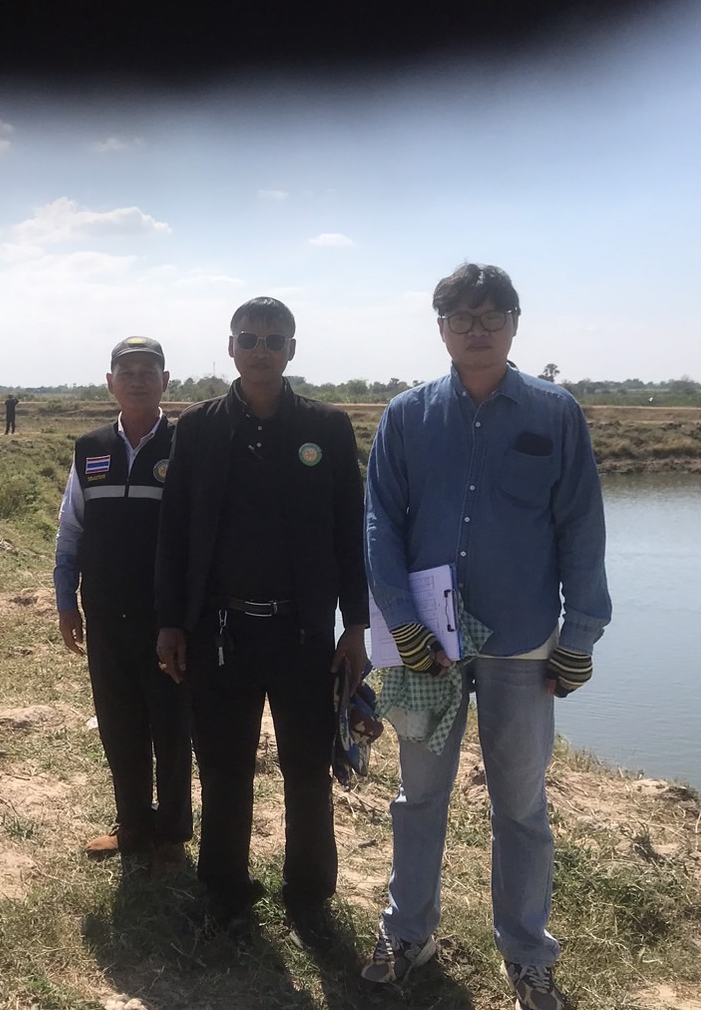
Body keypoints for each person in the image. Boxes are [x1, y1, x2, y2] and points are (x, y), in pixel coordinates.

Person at [361, 263, 611, 1010]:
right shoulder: (406, 416)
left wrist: (581, 631)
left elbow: (580, 523)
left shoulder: (554, 413)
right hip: (427, 645)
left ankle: (527, 955)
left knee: (520, 806)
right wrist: (400, 622)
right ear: (441, 328)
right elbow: (379, 523)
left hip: (522, 639)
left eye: (490, 315)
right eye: (461, 317)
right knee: (418, 795)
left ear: (513, 323)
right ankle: (407, 933)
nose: (477, 328)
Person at [155, 297, 368, 945]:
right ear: (231, 347)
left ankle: (308, 894)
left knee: (306, 769)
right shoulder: (197, 429)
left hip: (303, 633)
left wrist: (356, 626)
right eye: (249, 338)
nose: (261, 350)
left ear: (291, 350)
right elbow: (174, 533)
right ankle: (225, 891)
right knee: (224, 768)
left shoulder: (326, 428)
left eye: (274, 340)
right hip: (219, 631)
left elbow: (349, 533)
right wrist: (171, 622)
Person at [54, 336, 191, 871]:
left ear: (165, 381)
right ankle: (132, 825)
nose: (137, 380)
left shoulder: (185, 447)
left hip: (169, 619)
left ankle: (172, 833)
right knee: (119, 722)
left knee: (172, 725)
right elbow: (71, 530)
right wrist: (67, 600)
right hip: (107, 613)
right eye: (126, 372)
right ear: (110, 382)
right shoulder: (90, 448)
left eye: (147, 371)